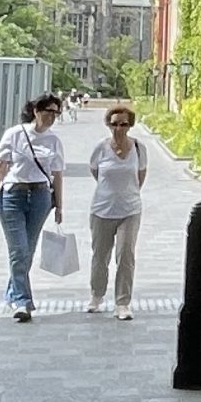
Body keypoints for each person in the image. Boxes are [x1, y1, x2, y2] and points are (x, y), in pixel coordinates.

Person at [0, 93, 65, 322]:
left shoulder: (54, 141)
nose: (52, 116)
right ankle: (22, 301)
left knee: (27, 250)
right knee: (18, 250)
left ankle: (13, 292)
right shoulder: (15, 134)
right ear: (36, 111)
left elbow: (57, 175)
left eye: (56, 112)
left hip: (40, 196)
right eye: (48, 111)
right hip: (13, 195)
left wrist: (59, 206)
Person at [86, 101, 149, 317]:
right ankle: (96, 295)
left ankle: (123, 302)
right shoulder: (101, 148)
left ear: (130, 125)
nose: (118, 128)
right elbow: (95, 171)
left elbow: (140, 176)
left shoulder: (139, 148)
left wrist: (127, 193)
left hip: (130, 210)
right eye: (114, 124)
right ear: (108, 124)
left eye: (123, 124)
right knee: (100, 255)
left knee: (125, 256)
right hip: (102, 209)